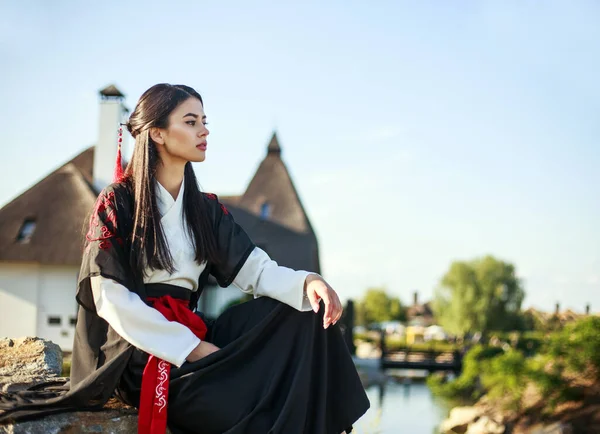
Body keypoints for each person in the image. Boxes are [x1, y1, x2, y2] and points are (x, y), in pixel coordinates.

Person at [0, 84, 369, 434]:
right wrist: (191, 348)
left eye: (204, 122)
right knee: (242, 403)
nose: (203, 131)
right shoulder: (118, 202)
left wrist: (307, 282)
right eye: (190, 122)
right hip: (140, 347)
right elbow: (110, 299)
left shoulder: (204, 209)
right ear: (157, 133)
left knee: (305, 315)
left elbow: (253, 268)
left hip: (194, 328)